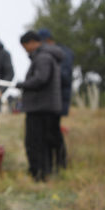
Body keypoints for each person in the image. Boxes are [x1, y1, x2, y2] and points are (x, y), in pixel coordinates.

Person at [16, 30, 63, 182]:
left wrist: (22, 85)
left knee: (35, 142)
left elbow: (41, 79)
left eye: (25, 47)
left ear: (31, 43)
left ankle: (39, 173)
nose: (25, 50)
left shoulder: (42, 58)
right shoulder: (47, 56)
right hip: (46, 106)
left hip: (40, 107)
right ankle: (45, 171)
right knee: (46, 142)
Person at [39, 28, 73, 171]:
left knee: (54, 133)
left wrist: (47, 74)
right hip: (50, 99)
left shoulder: (62, 54)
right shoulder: (53, 53)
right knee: (48, 132)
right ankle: (52, 163)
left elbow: (64, 77)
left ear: (47, 41)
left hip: (57, 100)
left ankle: (60, 162)